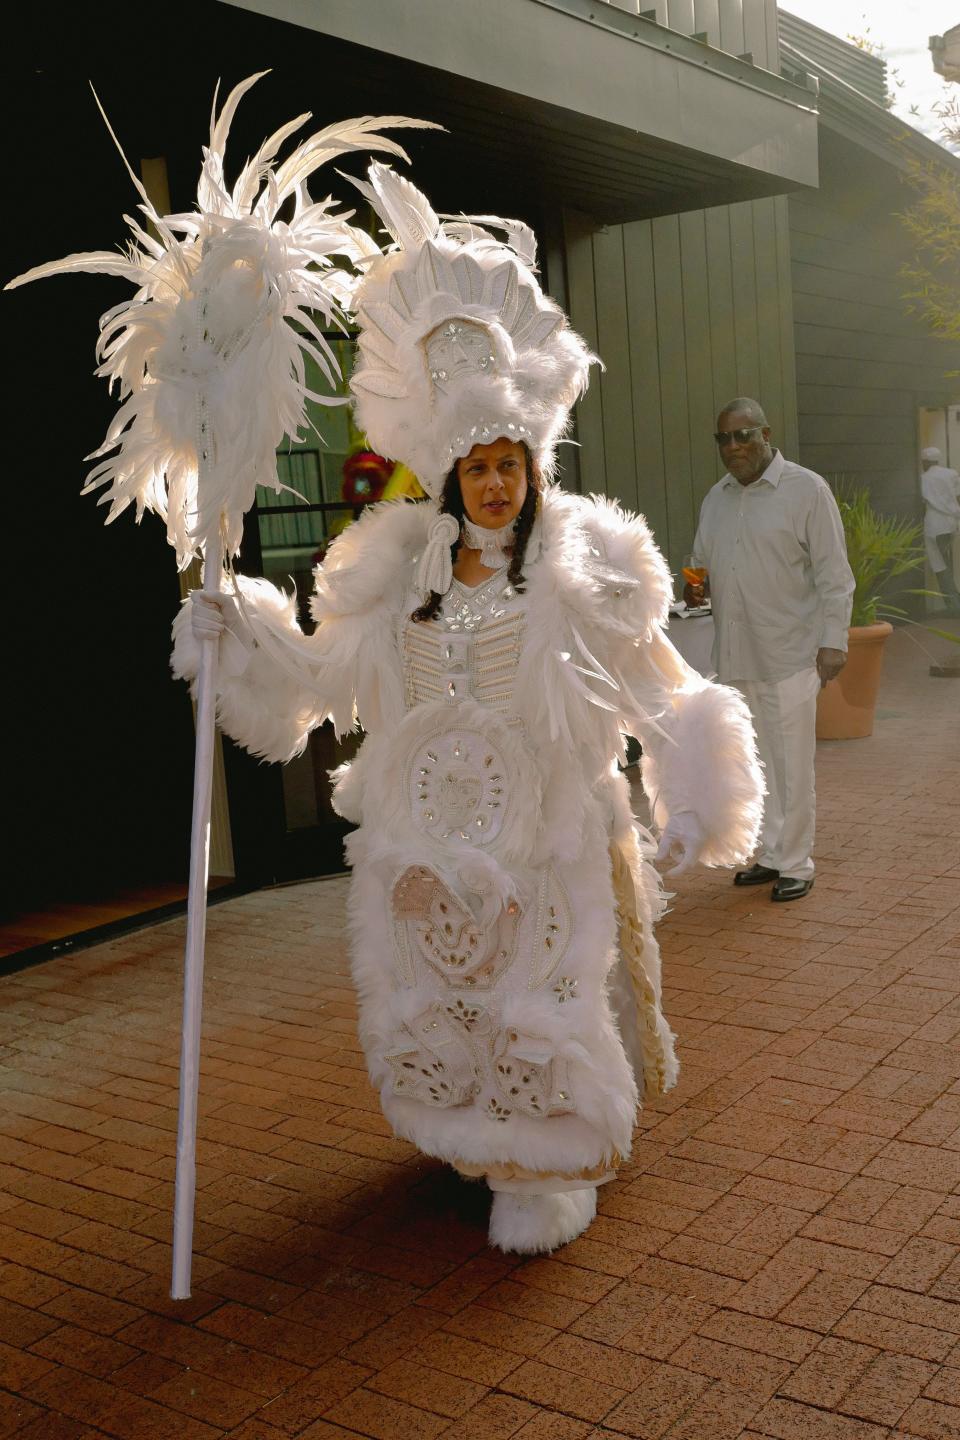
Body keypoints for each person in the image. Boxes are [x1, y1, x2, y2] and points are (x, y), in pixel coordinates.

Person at [175, 165, 763, 1255]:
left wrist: (688, 794)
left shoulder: (585, 567)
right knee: (450, 1005)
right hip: (432, 846)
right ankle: (475, 1141)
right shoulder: (389, 574)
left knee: (547, 992)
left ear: (531, 466)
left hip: (546, 840)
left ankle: (554, 1167)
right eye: (474, 467)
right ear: (444, 473)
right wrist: (237, 630)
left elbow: (659, 685)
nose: (493, 484)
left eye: (508, 464)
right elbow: (313, 690)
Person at [686, 399, 854, 903]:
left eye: (743, 436)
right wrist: (697, 586)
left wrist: (833, 641)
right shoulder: (716, 499)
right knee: (754, 763)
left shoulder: (806, 490)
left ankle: (797, 862)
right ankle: (769, 853)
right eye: (724, 440)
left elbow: (834, 576)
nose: (733, 447)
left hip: (791, 654)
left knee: (791, 765)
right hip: (736, 654)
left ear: (766, 433)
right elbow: (700, 564)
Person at [920, 446, 960, 609]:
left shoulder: (924, 478)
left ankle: (954, 605)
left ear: (925, 462)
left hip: (935, 525)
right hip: (951, 524)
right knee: (948, 562)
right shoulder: (951, 474)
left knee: (941, 564)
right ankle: (954, 601)